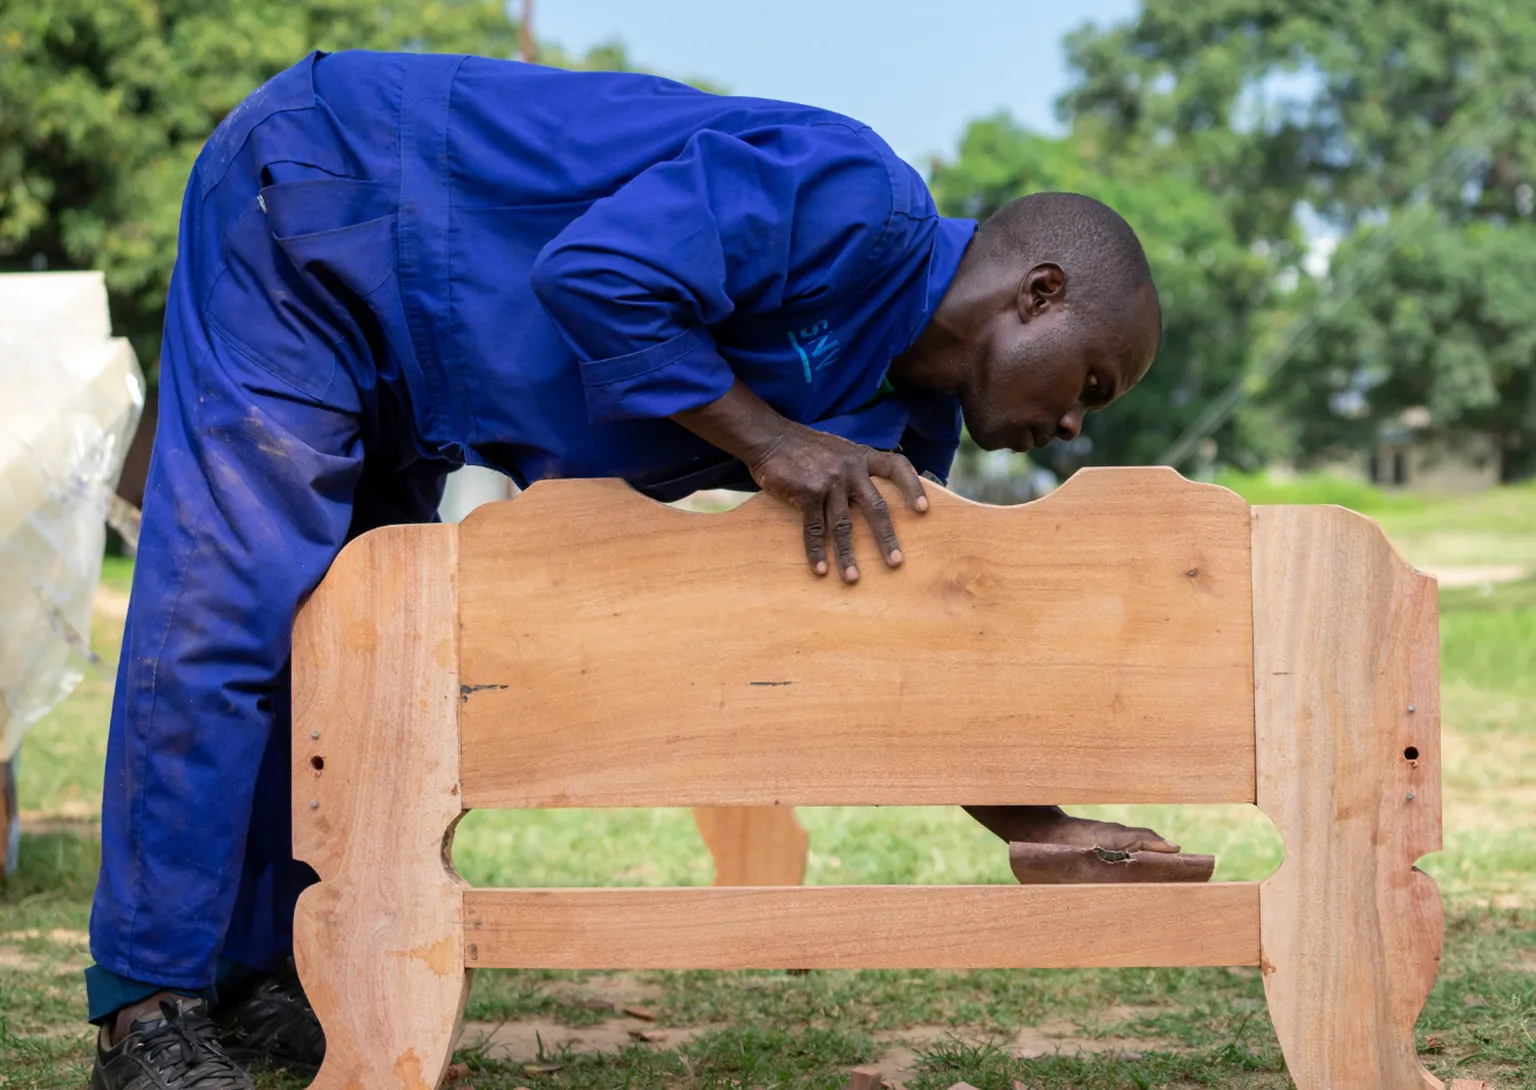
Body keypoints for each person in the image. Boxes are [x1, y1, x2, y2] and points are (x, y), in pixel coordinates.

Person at [88, 49, 1169, 1090]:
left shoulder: (899, 431)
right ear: (1038, 291)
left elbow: (890, 654)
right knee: (230, 612)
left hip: (426, 373)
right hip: (336, 198)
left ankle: (250, 970)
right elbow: (598, 274)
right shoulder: (852, 199)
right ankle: (147, 1005)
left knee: (349, 659)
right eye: (1093, 381)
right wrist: (766, 440)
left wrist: (1041, 827)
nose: (1074, 421)